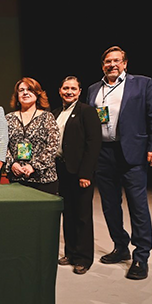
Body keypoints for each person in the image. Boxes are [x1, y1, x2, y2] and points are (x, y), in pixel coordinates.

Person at [86, 46, 152, 280]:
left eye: (117, 61)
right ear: (102, 65)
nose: (112, 64)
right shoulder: (93, 89)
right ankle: (120, 246)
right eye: (108, 61)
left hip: (133, 153)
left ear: (125, 63)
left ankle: (141, 256)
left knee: (138, 206)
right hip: (104, 153)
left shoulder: (142, 83)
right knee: (110, 205)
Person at [52, 76, 102, 275]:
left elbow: (94, 143)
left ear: (80, 91)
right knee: (68, 213)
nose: (69, 91)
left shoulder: (87, 111)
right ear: (60, 90)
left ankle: (83, 258)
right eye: (65, 88)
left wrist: (86, 173)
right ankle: (70, 253)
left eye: (73, 88)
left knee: (82, 215)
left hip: (80, 172)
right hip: (61, 170)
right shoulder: (55, 113)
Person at [4, 77, 59, 195]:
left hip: (43, 179)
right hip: (16, 178)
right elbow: (2, 144)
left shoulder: (47, 117)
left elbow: (53, 145)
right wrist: (12, 164)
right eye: (21, 90)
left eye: (30, 90)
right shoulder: (8, 118)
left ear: (37, 94)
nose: (25, 93)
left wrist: (34, 166)